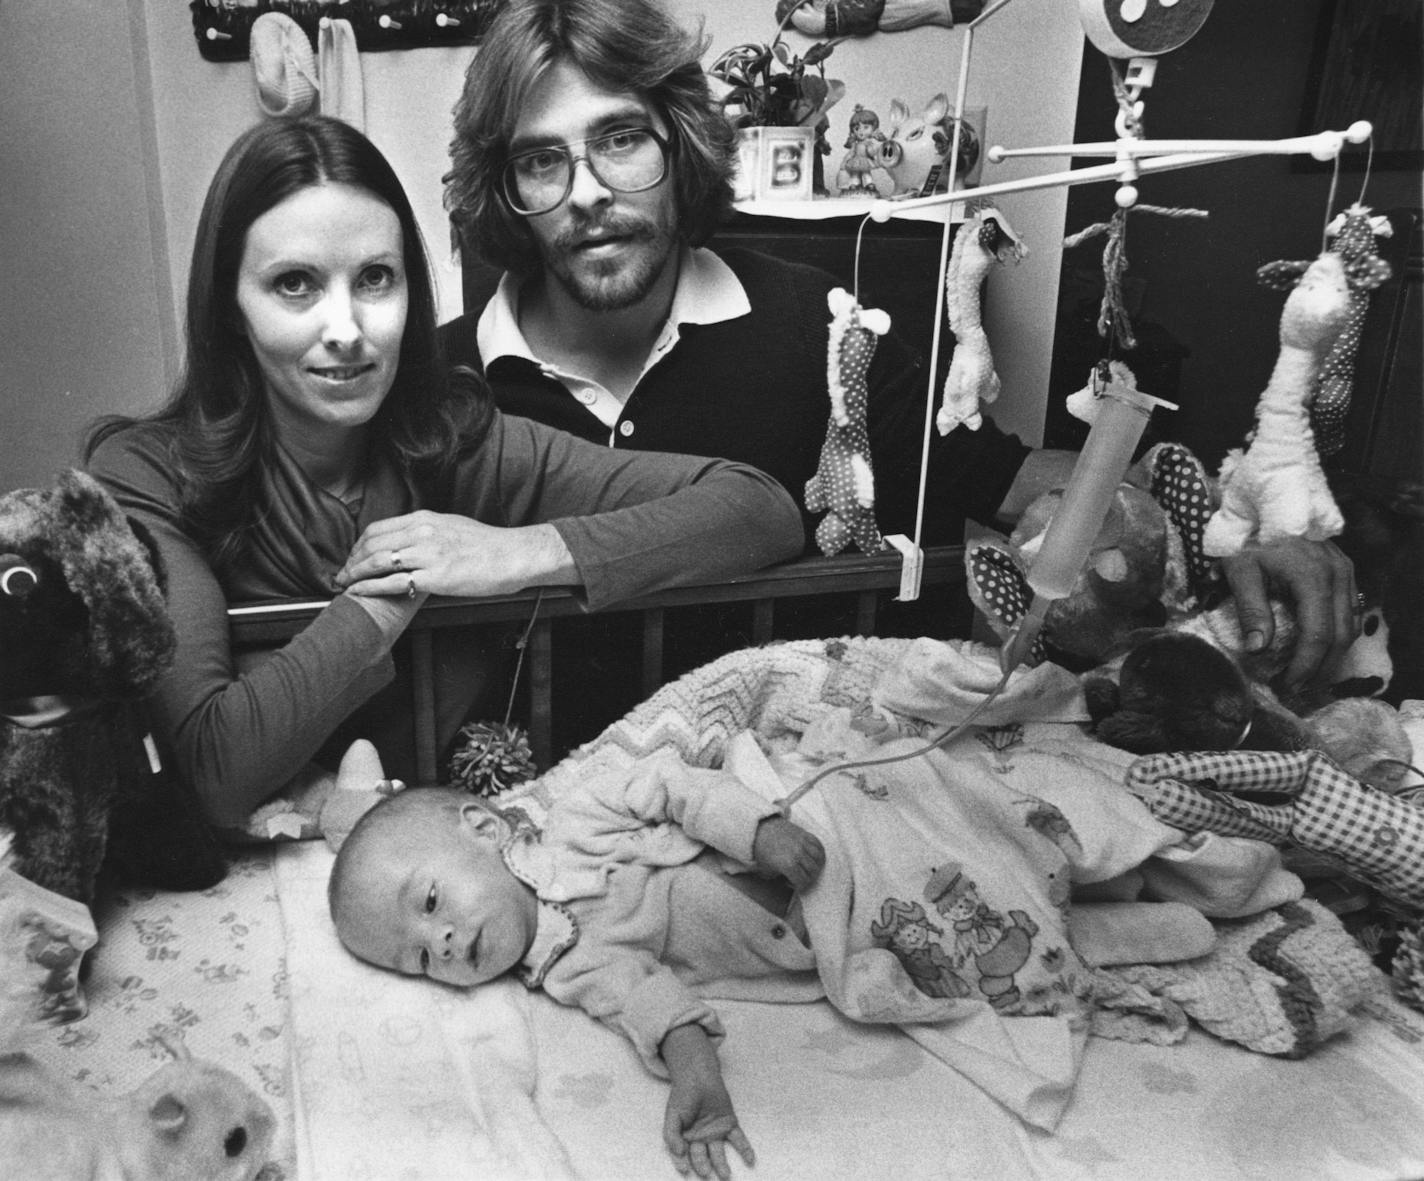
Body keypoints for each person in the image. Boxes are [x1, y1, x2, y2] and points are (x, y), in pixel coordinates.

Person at [437, 0, 1360, 696]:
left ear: (680, 147)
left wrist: (1236, 528)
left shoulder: (823, 325)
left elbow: (1006, 479)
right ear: (505, 185)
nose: (590, 190)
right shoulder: (443, 385)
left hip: (789, 796)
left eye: (622, 139)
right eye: (542, 160)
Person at [83, 115, 804, 837]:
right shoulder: (147, 477)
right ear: (231, 308)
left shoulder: (455, 444)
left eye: (374, 278)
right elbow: (211, 771)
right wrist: (395, 590)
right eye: (295, 284)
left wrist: (520, 551)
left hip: (449, 884)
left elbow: (760, 509)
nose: (346, 328)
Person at [329, 774, 827, 1181]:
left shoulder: (579, 818)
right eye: (420, 959)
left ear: (484, 829)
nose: (440, 942)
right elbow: (645, 998)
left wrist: (760, 833)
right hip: (828, 939)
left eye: (431, 901)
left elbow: (674, 785)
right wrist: (698, 1075)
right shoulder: (567, 969)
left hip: (815, 834)